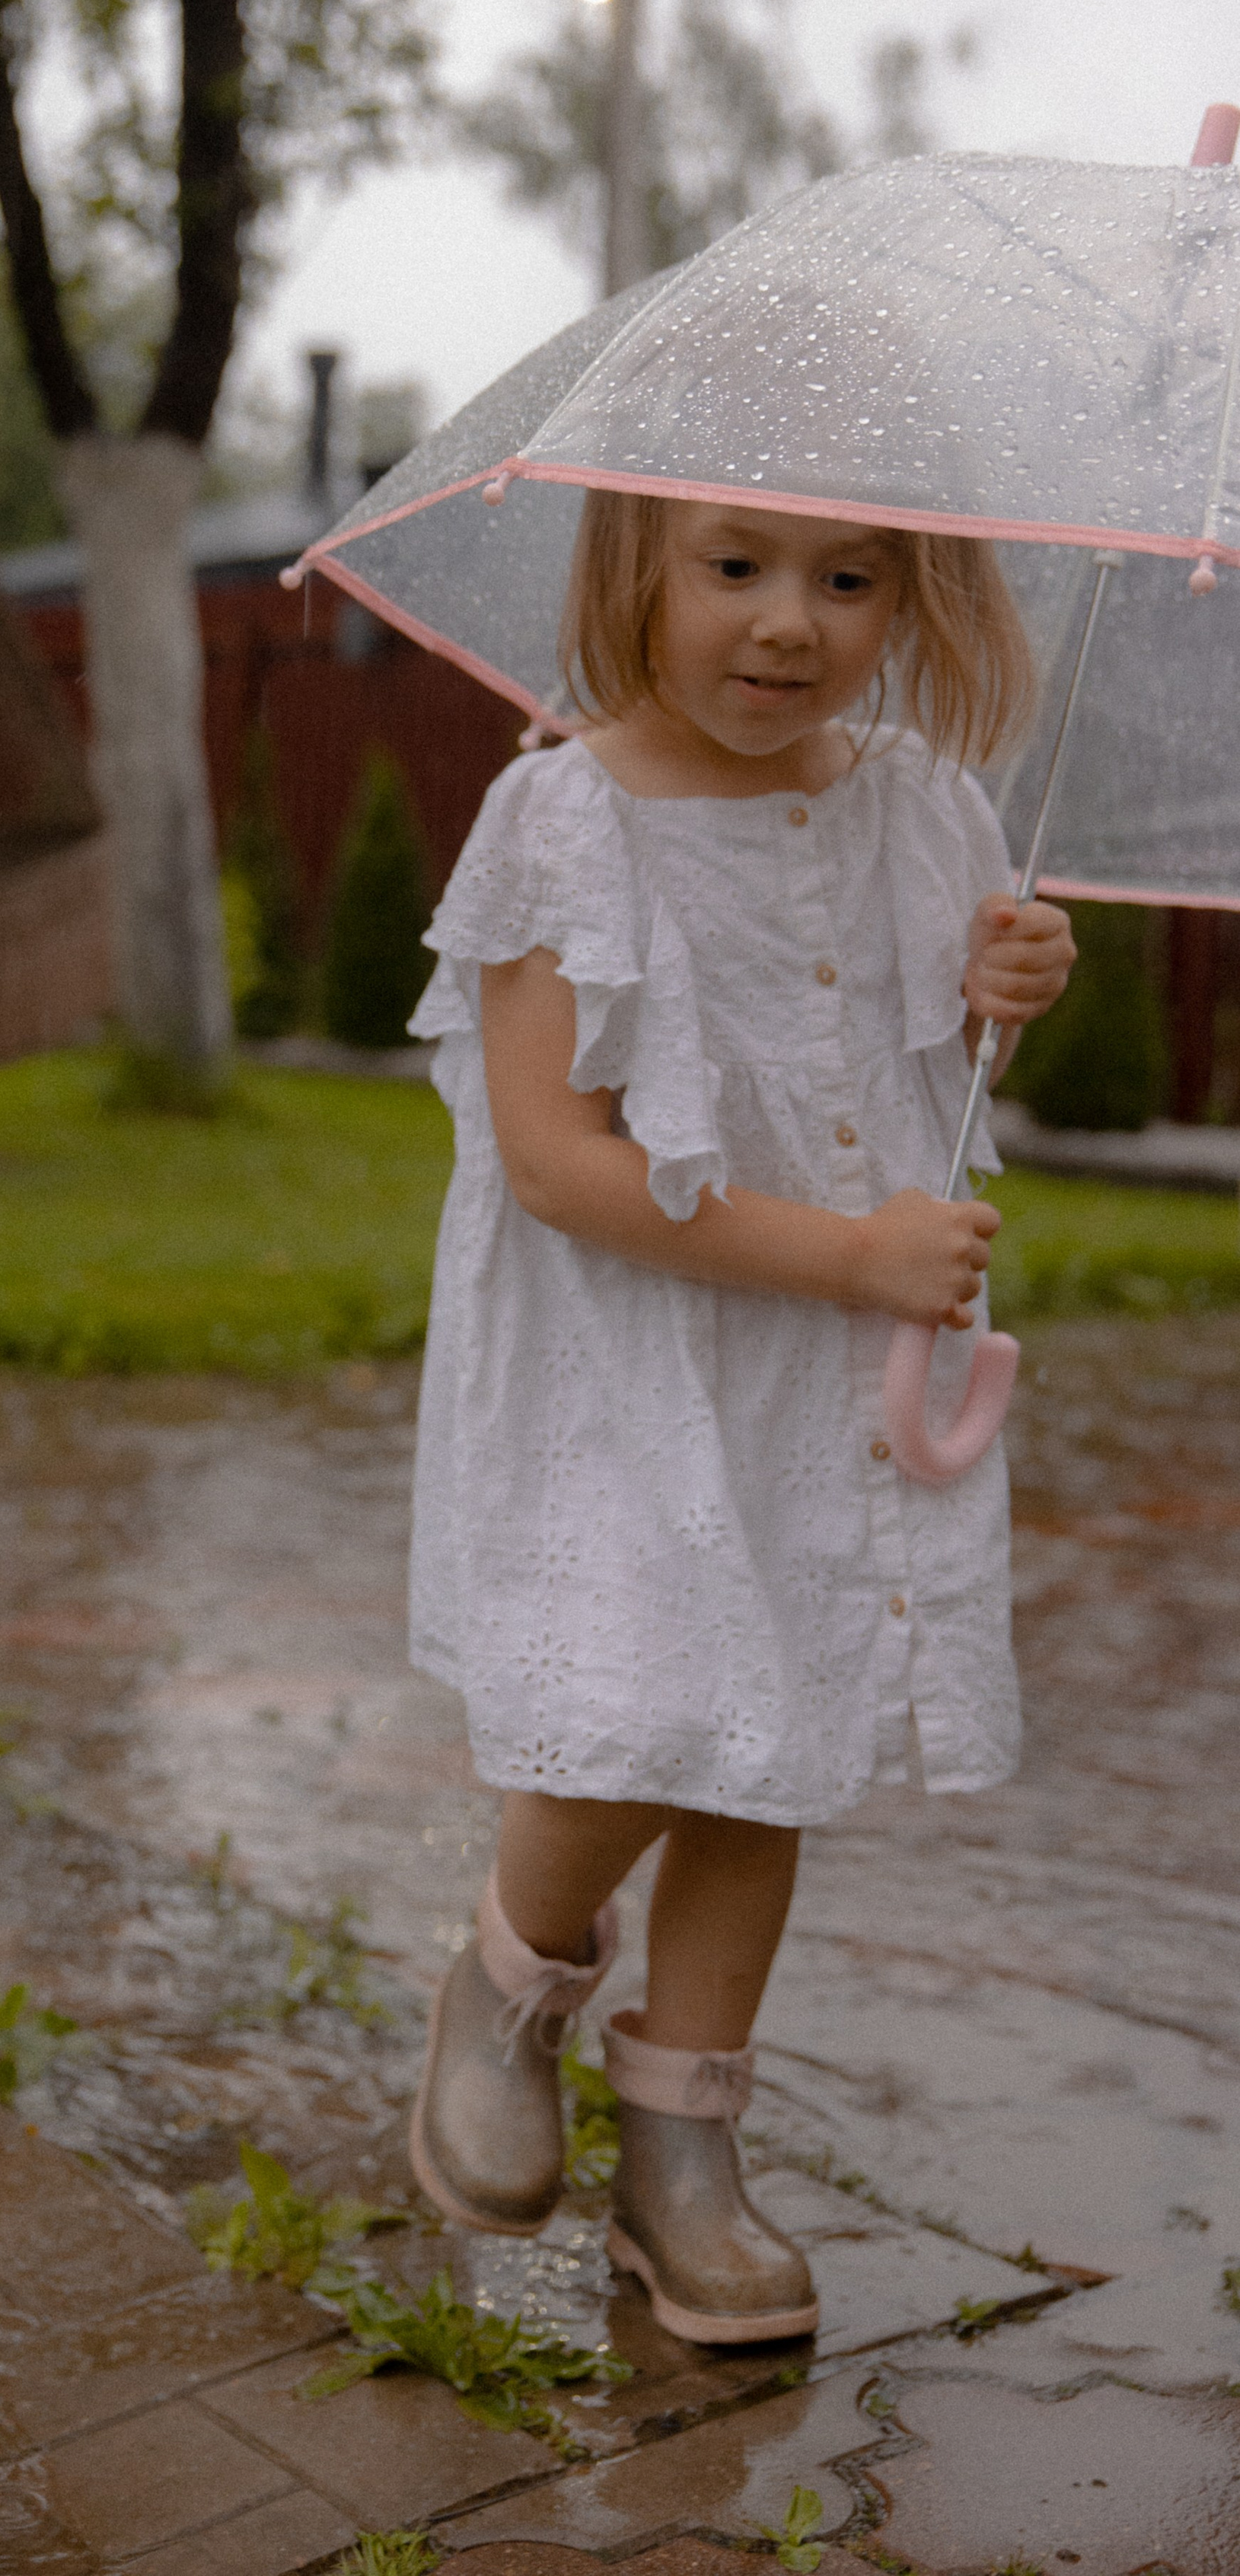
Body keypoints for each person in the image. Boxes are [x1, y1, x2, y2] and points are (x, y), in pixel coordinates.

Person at [406, 493, 1076, 2345]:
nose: (789, 622)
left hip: (815, 1383)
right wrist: (848, 1256)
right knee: (639, 1713)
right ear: (638, 572)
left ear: (910, 597)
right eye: (735, 570)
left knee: (773, 1738)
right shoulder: (563, 817)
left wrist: (1011, 982)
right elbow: (551, 1162)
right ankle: (505, 1978)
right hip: (631, 1365)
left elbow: (910, 1060)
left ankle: (680, 2158)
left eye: (846, 581)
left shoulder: (922, 807)